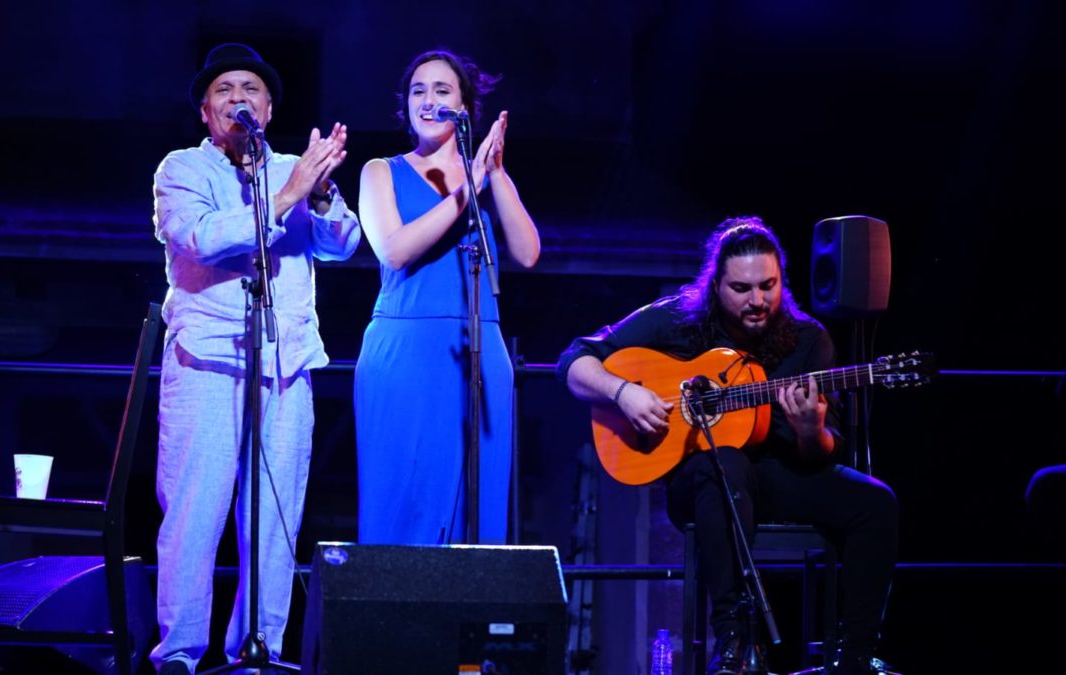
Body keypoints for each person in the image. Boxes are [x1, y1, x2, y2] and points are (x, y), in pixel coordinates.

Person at [557, 217, 899, 675]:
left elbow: (822, 451)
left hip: (780, 476)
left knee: (876, 502)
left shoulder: (808, 340)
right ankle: (736, 646)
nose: (758, 301)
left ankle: (855, 654)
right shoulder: (678, 320)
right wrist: (625, 393)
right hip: (700, 483)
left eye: (768, 285)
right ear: (715, 285)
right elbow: (574, 360)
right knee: (726, 463)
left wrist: (808, 429)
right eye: (742, 288)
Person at [150, 43, 361, 674]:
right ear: (205, 111)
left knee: (274, 517)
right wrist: (290, 192)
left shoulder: (294, 168)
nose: (238, 98)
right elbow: (203, 239)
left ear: (268, 107)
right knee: (194, 513)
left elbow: (343, 243)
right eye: (224, 90)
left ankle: (257, 652)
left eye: (251, 89)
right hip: (208, 362)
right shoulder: (182, 169)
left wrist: (318, 194)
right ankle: (180, 655)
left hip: (286, 364)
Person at [354, 49, 540, 545]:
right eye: (419, 91)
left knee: (476, 510)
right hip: (405, 350)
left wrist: (494, 174)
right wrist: (466, 189)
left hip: (479, 346)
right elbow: (394, 250)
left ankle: (470, 618)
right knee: (403, 502)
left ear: (465, 107)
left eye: (442, 90)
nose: (429, 100)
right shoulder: (381, 171)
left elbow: (527, 252)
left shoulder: (484, 176)